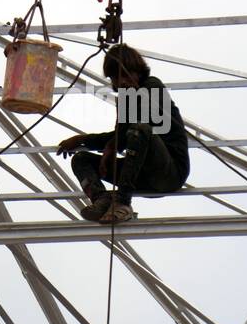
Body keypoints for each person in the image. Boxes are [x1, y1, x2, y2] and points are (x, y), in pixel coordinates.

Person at [56, 44, 190, 224]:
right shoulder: (126, 99)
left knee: (140, 129)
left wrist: (110, 146)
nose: (122, 82)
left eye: (126, 75)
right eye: (116, 78)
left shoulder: (151, 86)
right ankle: (102, 200)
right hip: (140, 175)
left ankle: (122, 203)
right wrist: (83, 141)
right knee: (81, 160)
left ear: (138, 72)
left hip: (169, 172)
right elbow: (121, 136)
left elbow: (132, 132)